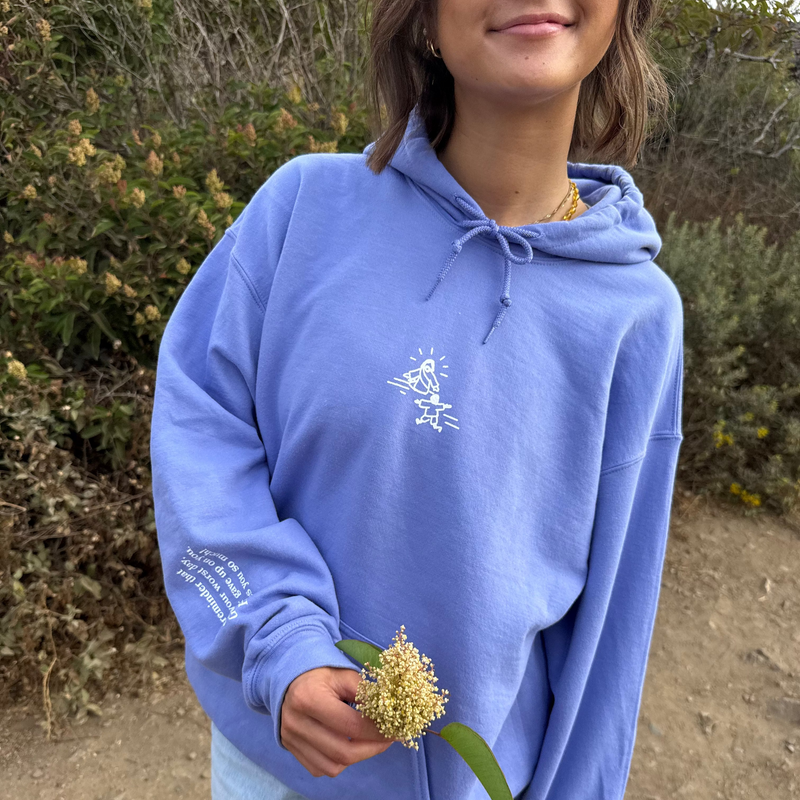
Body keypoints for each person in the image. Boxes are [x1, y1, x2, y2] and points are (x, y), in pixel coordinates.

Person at [149, 0, 683, 796]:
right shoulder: (303, 209)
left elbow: (611, 630)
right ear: (424, 20)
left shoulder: (639, 317)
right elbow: (203, 428)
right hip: (273, 769)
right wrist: (279, 636)